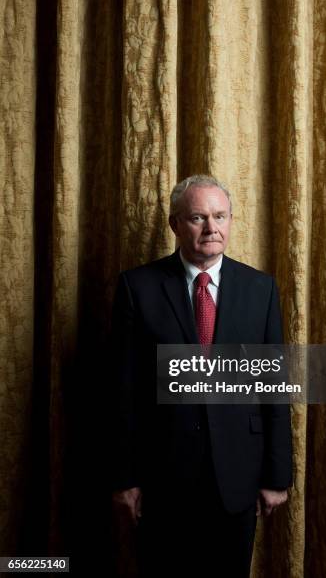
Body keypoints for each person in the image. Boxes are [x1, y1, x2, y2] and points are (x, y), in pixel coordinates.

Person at [111, 175, 293, 578]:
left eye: (220, 216)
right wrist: (125, 478)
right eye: (198, 217)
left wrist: (277, 475)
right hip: (163, 479)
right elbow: (122, 393)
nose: (211, 228)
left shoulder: (260, 289)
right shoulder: (136, 287)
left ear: (230, 221)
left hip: (238, 476)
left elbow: (273, 387)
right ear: (175, 224)